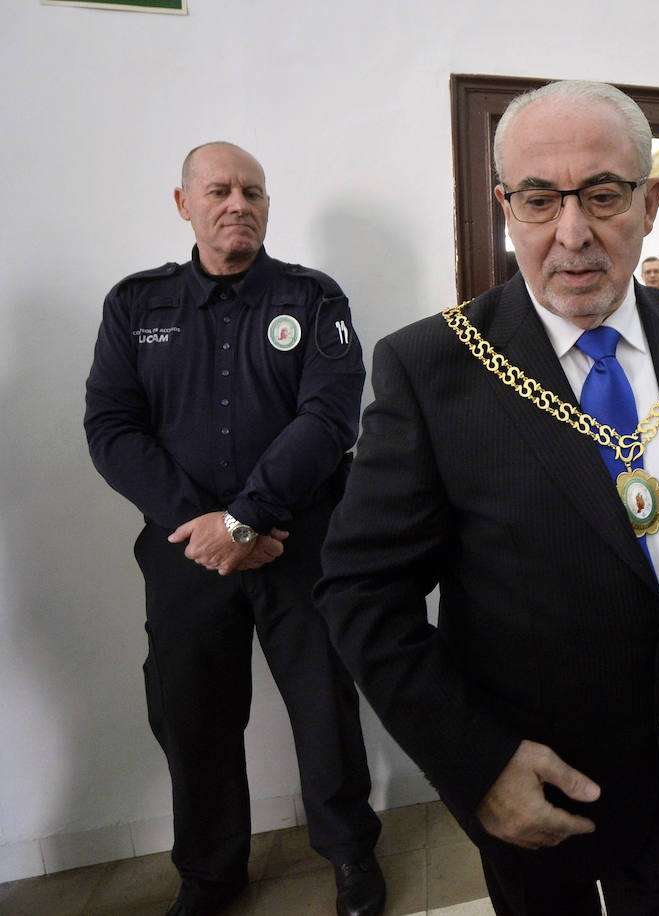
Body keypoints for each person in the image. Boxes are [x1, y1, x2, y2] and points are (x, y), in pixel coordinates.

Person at [316, 80, 659, 916]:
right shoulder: (433, 369)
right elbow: (362, 592)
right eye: (540, 200)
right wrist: (478, 763)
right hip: (535, 781)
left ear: (649, 204)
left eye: (603, 196)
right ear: (507, 208)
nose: (571, 235)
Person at [84, 142, 385, 916]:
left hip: (301, 544)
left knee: (325, 706)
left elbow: (329, 418)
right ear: (184, 204)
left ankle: (352, 857)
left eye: (253, 191)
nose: (237, 204)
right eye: (218, 190)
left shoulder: (315, 299)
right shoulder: (135, 306)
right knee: (193, 715)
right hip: (187, 553)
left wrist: (248, 518)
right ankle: (211, 874)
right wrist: (204, 524)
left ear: (267, 206)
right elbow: (112, 427)